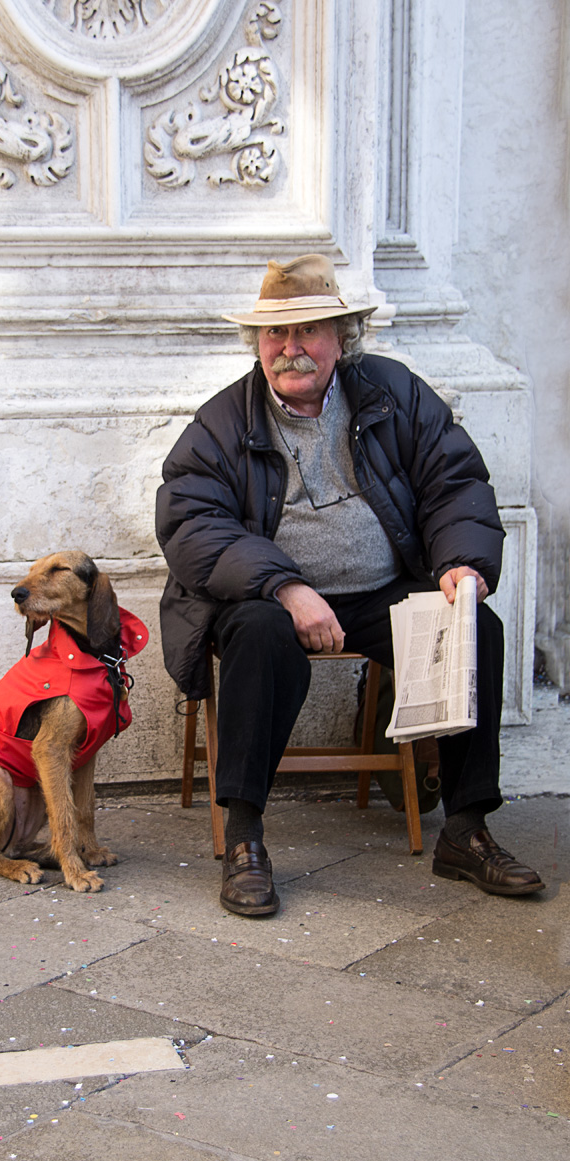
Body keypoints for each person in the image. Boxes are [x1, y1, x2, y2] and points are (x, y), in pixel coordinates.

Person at [155, 254, 544, 916]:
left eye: (308, 331)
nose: (291, 349)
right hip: (268, 601)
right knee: (253, 633)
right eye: (276, 335)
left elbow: (454, 483)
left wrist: (460, 564)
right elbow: (192, 526)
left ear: (342, 338)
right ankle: (244, 840)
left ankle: (466, 829)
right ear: (259, 345)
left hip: (378, 593)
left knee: (474, 626)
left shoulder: (393, 393)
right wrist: (285, 586)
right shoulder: (222, 422)